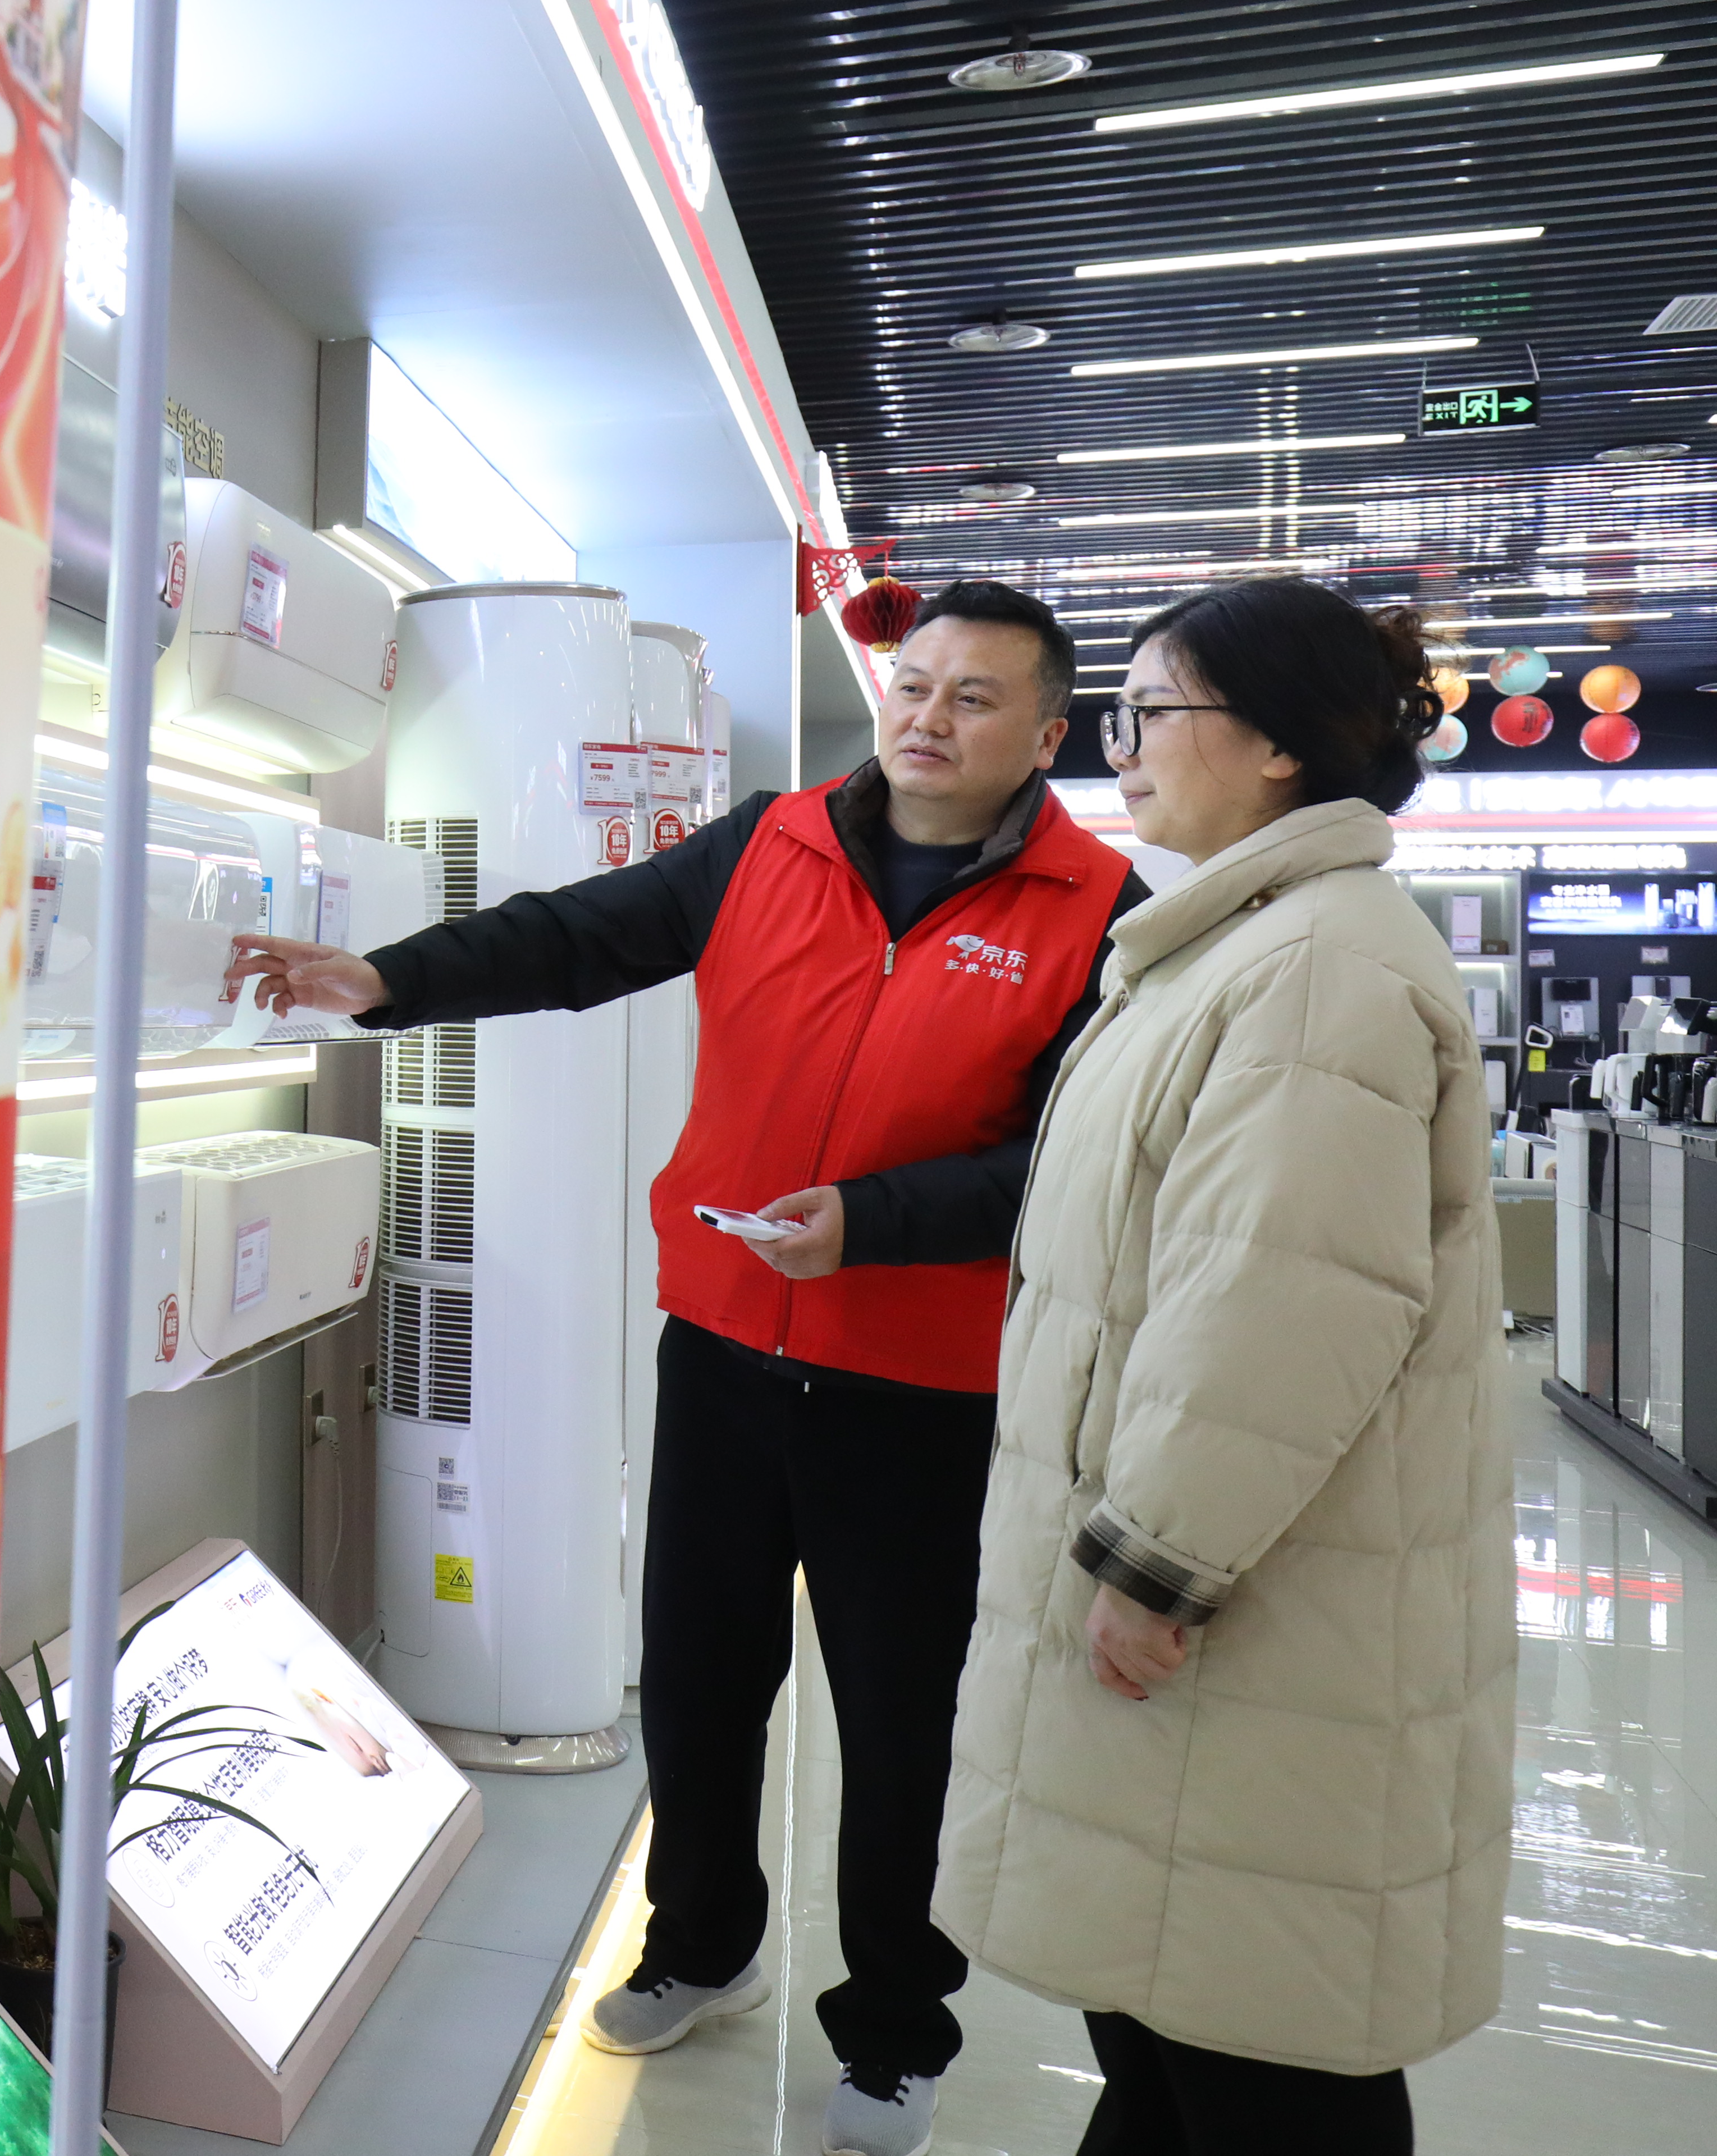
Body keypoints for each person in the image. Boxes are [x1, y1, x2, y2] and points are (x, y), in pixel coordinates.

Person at [231, 580, 1141, 2156]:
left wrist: (870, 1223)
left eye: (975, 697)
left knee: (904, 1726)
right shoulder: (769, 843)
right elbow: (579, 936)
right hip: (723, 1353)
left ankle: (895, 2027)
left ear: (1048, 735)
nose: (928, 717)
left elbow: (1072, 1162)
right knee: (704, 1689)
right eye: (914, 684)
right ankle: (701, 1949)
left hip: (922, 1393)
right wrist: (386, 981)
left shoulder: (1097, 913)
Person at [934, 581, 1508, 2154]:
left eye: (1148, 713)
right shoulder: (1239, 943)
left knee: (1260, 2045)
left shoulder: (1316, 967)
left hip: (1249, 1616)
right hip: (1218, 1599)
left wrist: (1158, 1563)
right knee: (1173, 2023)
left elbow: (1279, 1303)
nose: (1117, 750)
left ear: (1273, 747)